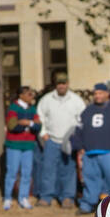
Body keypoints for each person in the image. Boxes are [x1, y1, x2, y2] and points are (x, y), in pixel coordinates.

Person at [73, 83, 110, 213]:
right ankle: (87, 205)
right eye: (95, 93)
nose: (97, 96)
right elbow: (77, 130)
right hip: (90, 152)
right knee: (90, 180)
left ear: (107, 94)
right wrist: (79, 146)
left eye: (100, 93)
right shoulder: (87, 110)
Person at [36, 72, 85, 207]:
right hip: (51, 139)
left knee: (68, 170)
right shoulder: (47, 99)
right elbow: (40, 117)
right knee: (48, 170)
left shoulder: (76, 100)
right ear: (55, 85)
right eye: (59, 83)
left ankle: (67, 197)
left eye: (64, 83)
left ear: (68, 84)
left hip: (69, 141)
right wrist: (44, 134)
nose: (61, 86)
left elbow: (82, 120)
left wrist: (77, 138)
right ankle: (46, 197)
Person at [3, 86, 40, 209]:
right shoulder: (13, 108)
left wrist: (27, 123)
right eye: (29, 94)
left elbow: (38, 126)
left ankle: (23, 197)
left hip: (28, 145)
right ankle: (7, 197)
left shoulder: (32, 109)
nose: (31, 96)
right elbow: (12, 126)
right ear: (21, 95)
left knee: (26, 173)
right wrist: (27, 125)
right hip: (14, 145)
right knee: (12, 172)